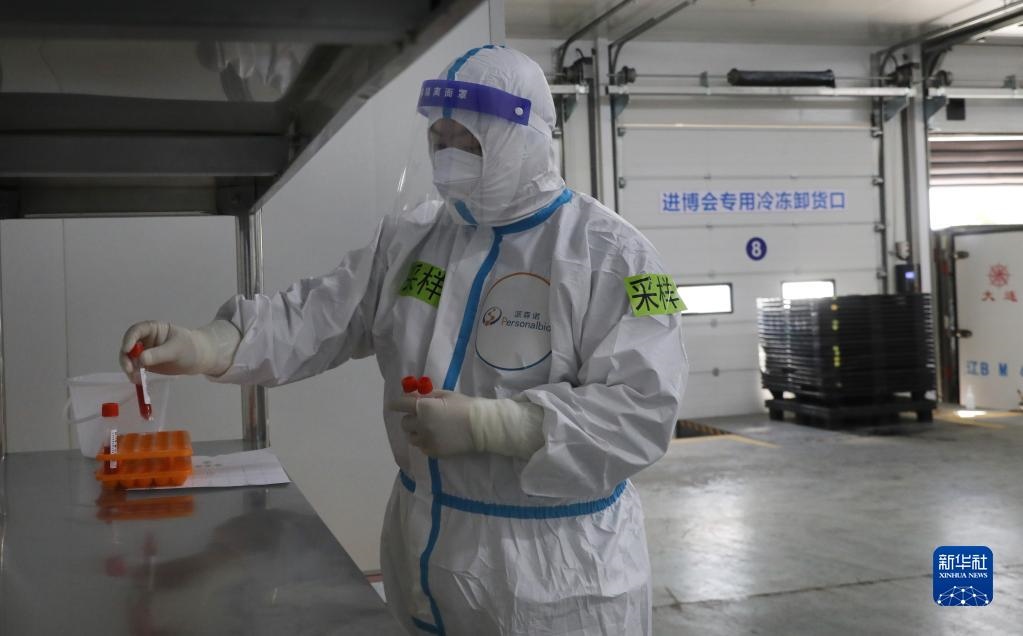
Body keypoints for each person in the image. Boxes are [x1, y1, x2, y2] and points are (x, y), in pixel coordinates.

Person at [119, 45, 688, 635]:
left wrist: (493, 425)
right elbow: (316, 315)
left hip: (556, 575)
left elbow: (642, 411)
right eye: (439, 137)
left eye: (467, 140)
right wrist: (209, 344)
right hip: (424, 552)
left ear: (522, 137)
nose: (448, 154)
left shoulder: (614, 255)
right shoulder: (414, 237)